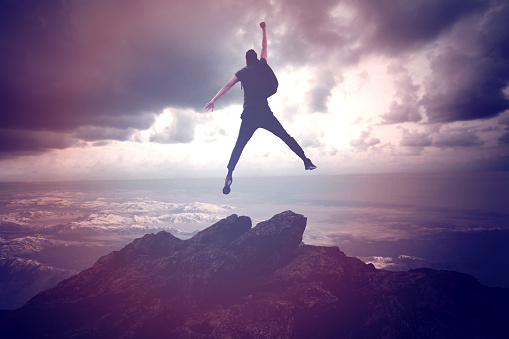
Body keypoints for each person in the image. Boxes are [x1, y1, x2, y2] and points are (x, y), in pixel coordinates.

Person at [205, 22, 316, 194]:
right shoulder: (263, 65)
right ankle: (306, 160)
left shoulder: (241, 72)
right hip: (265, 113)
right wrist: (264, 29)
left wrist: (213, 100)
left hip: (249, 115)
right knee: (285, 137)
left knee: (239, 146)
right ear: (256, 58)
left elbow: (227, 86)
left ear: (245, 60)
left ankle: (229, 174)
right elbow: (264, 45)